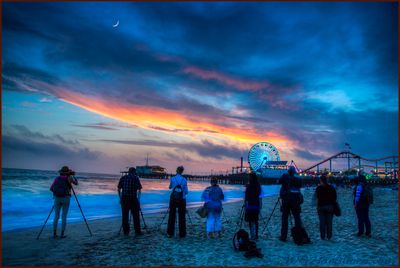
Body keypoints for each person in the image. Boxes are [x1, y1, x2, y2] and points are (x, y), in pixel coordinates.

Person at [50, 166, 78, 238]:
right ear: (68, 172)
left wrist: (57, 194)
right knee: (64, 216)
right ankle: (62, 234)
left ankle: (54, 233)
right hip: (66, 198)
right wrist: (73, 176)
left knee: (56, 216)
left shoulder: (57, 178)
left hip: (57, 198)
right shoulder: (69, 178)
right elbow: (76, 183)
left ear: (61, 172)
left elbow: (51, 189)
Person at [278, 166, 303, 242]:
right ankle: (299, 236)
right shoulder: (298, 179)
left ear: (288, 171)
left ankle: (283, 237)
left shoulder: (285, 176)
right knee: (297, 218)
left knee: (285, 218)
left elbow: (279, 181)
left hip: (286, 200)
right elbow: (300, 186)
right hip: (295, 200)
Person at [118, 167, 143, 236]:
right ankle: (137, 231)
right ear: (134, 172)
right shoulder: (135, 178)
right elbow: (139, 189)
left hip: (124, 199)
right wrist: (138, 199)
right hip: (133, 198)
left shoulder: (123, 178)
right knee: (136, 216)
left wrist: (120, 198)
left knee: (125, 216)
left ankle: (126, 232)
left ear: (128, 171)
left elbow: (119, 189)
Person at [167, 166, 189, 238]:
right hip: (182, 200)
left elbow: (170, 187)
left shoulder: (172, 178)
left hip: (173, 199)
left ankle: (170, 233)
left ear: (176, 170)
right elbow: (186, 192)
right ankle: (182, 234)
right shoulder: (184, 180)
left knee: (171, 216)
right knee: (182, 217)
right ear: (182, 171)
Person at [315, 174, 337, 240]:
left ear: (321, 180)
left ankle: (322, 236)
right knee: (329, 222)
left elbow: (317, 197)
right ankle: (329, 236)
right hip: (330, 206)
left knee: (322, 223)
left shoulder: (318, 188)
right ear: (327, 180)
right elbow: (335, 198)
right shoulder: (332, 188)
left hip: (321, 206)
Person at [244, 172, 263, 240]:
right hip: (256, 204)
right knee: (255, 220)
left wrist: (245, 205)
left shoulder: (248, 186)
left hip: (250, 205)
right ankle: (256, 235)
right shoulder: (258, 186)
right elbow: (260, 196)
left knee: (250, 221)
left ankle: (252, 235)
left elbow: (246, 198)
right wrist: (260, 205)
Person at [354, 171, 372, 237]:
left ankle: (360, 232)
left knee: (360, 218)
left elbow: (357, 196)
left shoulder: (359, 186)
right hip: (366, 204)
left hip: (360, 204)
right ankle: (368, 232)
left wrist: (355, 204)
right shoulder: (367, 185)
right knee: (366, 218)